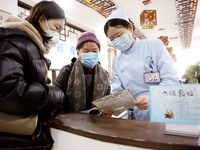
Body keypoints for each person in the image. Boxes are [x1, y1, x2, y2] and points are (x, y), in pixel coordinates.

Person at [0, 1, 65, 149]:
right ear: (42, 20)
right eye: (57, 27)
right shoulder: (14, 42)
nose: (57, 34)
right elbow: (11, 92)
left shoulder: (31, 46)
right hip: (12, 137)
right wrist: (56, 95)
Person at [104, 8, 180, 120]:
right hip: (134, 116)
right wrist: (111, 106)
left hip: (161, 111)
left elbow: (171, 80)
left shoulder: (154, 46)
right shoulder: (117, 60)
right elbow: (118, 91)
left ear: (130, 28)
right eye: (112, 39)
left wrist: (153, 98)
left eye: (119, 35)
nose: (116, 40)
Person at [54, 32, 111, 115]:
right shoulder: (67, 70)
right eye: (86, 51)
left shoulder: (105, 74)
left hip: (97, 120)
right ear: (78, 52)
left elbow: (108, 98)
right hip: (72, 120)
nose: (91, 54)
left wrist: (105, 109)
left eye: (94, 51)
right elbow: (57, 98)